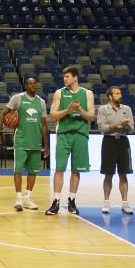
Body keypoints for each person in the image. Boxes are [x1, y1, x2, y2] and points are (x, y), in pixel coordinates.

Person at [0, 76, 48, 212]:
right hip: (21, 141)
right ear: (25, 86)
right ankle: (18, 198)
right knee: (18, 170)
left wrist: (46, 145)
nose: (32, 86)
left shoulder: (41, 102)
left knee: (33, 171)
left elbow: (43, 124)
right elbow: (3, 114)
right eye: (30, 84)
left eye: (34, 83)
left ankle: (28, 198)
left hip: (35, 142)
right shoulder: (17, 98)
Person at [46, 65, 94, 216]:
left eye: (67, 76)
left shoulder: (87, 94)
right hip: (63, 134)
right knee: (59, 168)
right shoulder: (59, 93)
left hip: (80, 134)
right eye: (64, 76)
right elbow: (53, 115)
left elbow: (91, 116)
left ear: (75, 77)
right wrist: (67, 110)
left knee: (76, 169)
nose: (64, 79)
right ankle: (56, 201)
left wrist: (79, 110)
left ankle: (72, 200)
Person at [95, 85, 134, 215]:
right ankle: (106, 202)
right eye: (117, 94)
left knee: (124, 173)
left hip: (123, 141)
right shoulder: (102, 109)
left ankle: (125, 203)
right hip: (108, 142)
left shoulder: (127, 109)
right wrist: (118, 124)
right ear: (110, 96)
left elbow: (132, 129)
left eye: (120, 93)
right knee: (108, 174)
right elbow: (102, 128)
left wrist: (127, 125)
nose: (120, 95)